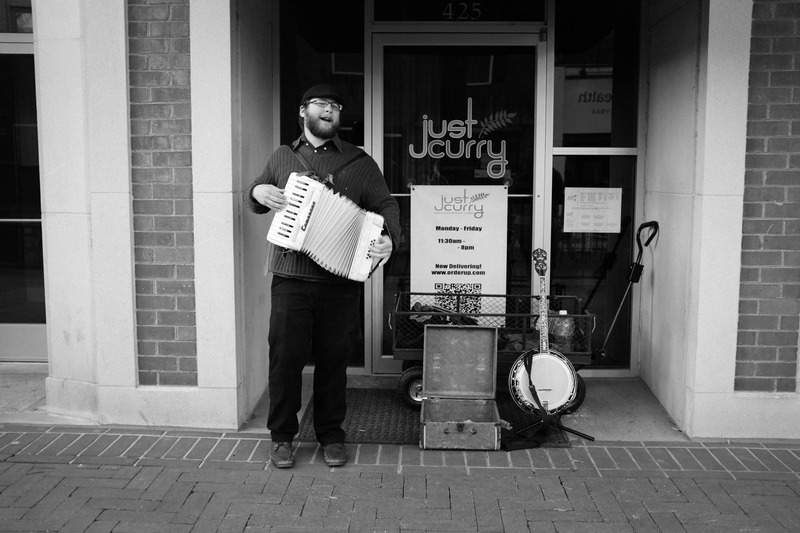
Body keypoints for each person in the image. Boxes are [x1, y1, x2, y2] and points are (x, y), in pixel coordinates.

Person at [243, 84, 401, 468]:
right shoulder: (283, 156)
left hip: (340, 283)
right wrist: (258, 191)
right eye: (321, 104)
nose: (329, 110)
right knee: (285, 360)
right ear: (304, 111)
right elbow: (257, 194)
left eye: (335, 106)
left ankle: (331, 435)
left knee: (334, 362)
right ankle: (282, 436)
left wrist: (389, 239)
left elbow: (386, 206)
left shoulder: (359, 162)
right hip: (290, 278)